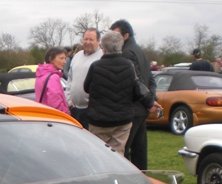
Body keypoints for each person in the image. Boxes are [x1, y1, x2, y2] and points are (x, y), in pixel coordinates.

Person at [84, 31, 154, 155]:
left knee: (97, 154)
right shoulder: (129, 66)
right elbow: (135, 91)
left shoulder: (96, 66)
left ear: (103, 48)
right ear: (120, 47)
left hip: (99, 119)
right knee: (117, 154)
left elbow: (86, 88)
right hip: (122, 119)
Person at [110, 19, 160, 171]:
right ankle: (142, 179)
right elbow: (151, 80)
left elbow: (136, 81)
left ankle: (129, 181)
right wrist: (151, 99)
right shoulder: (140, 51)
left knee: (123, 150)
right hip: (141, 109)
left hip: (133, 108)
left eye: (115, 35)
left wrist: (150, 102)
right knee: (139, 150)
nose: (113, 39)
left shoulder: (127, 53)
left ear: (125, 36)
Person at [65, 28, 103, 129]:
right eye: (85, 39)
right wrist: (69, 100)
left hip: (92, 110)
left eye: (91, 39)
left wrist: (93, 104)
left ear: (98, 41)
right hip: (75, 109)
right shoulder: (77, 56)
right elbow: (70, 79)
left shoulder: (102, 57)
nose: (87, 42)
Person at [35, 47, 69, 114]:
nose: (65, 62)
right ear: (51, 59)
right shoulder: (53, 77)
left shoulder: (41, 74)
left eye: (65, 58)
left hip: (43, 115)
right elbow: (55, 103)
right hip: (55, 118)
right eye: (61, 58)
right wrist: (66, 114)